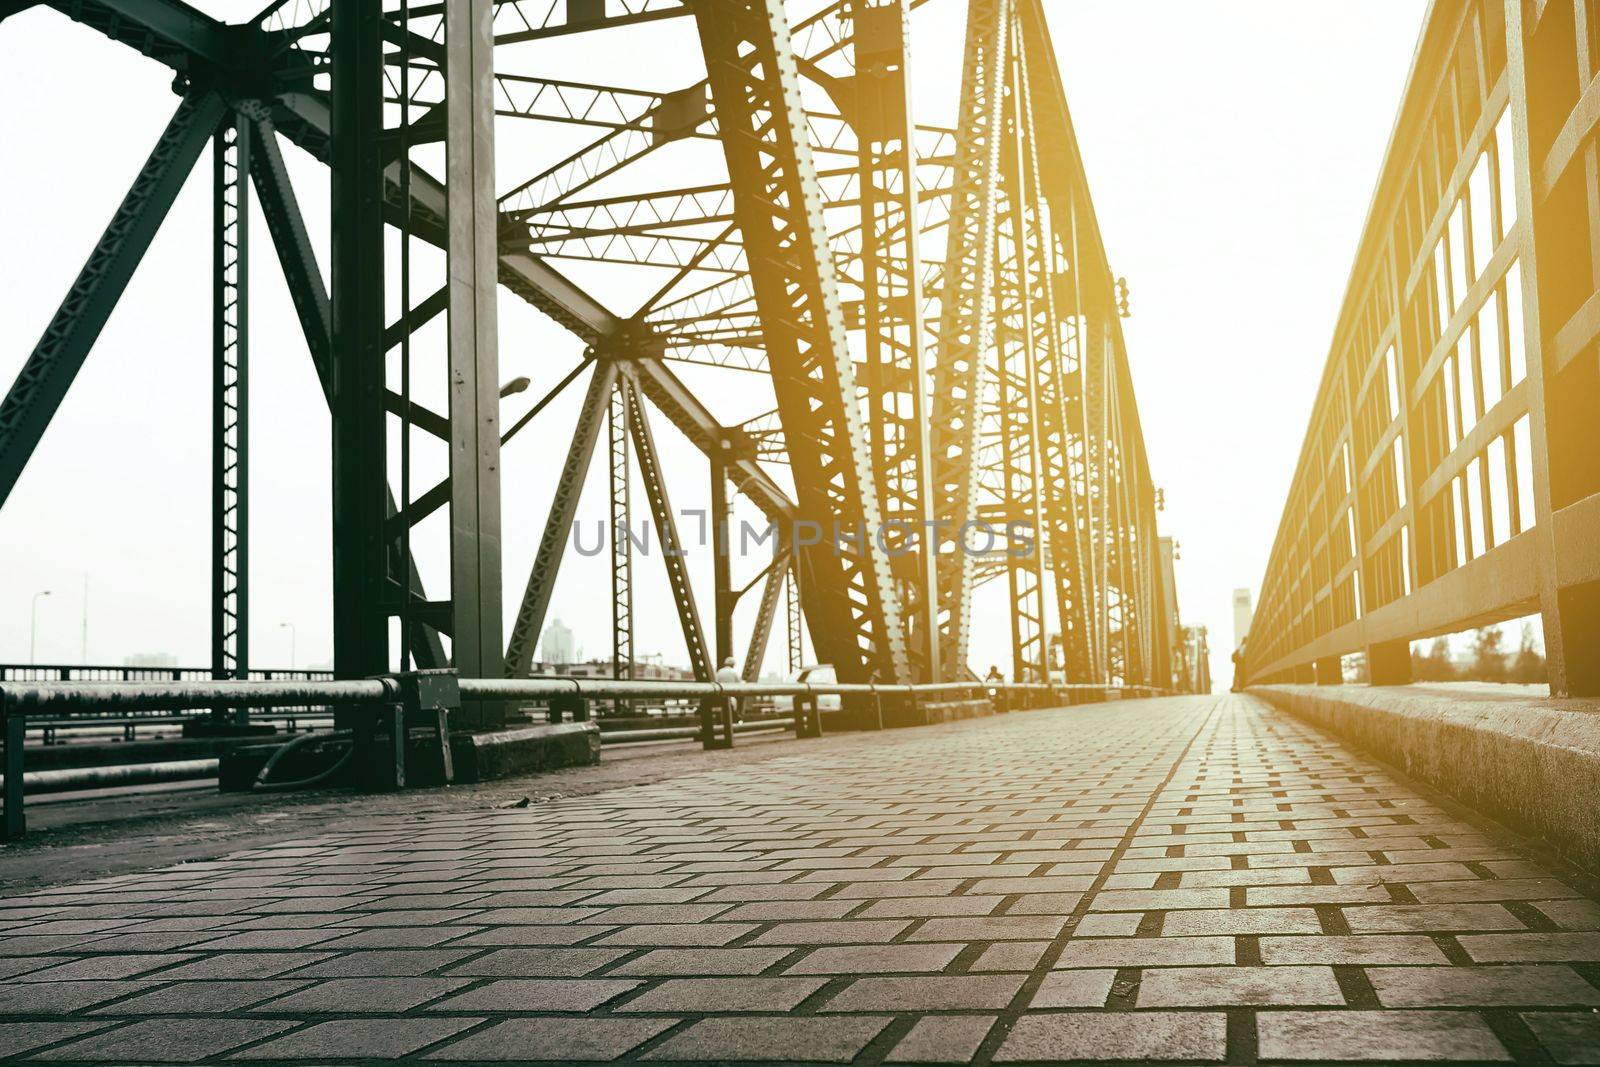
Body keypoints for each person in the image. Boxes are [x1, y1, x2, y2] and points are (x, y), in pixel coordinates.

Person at [715, 656, 743, 722]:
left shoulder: (719, 672)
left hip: (720, 697)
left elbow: (716, 682)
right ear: (733, 665)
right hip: (730, 697)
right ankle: (738, 714)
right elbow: (740, 685)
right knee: (741, 697)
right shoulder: (734, 672)